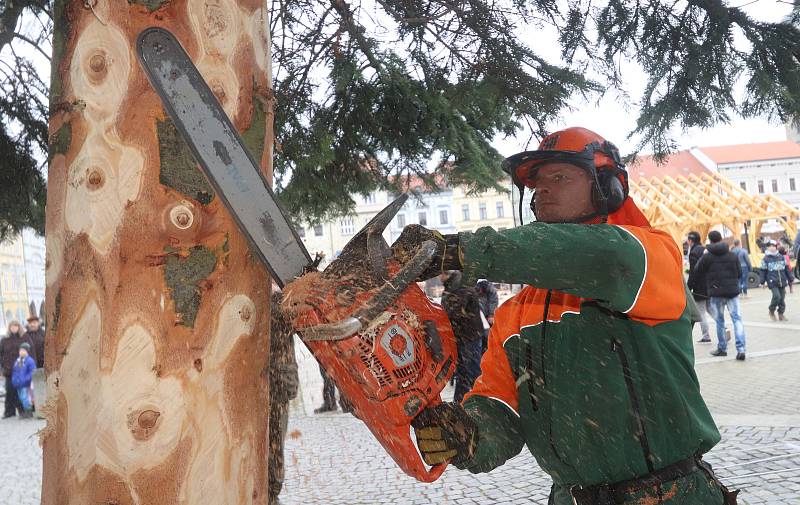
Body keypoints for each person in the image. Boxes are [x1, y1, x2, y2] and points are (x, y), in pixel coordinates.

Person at [392, 127, 735, 505]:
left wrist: (463, 251)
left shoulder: (647, 256)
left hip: (668, 494)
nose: (544, 191)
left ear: (608, 186)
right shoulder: (515, 314)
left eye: (559, 177)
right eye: (537, 183)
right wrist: (468, 432)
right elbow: (501, 405)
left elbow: (596, 257)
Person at [693, 231, 746, 360]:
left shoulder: (707, 256)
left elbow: (697, 270)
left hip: (716, 293)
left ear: (710, 240)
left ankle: (722, 348)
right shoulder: (732, 255)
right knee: (737, 319)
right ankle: (741, 349)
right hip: (733, 292)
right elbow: (739, 273)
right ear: (721, 239)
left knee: (720, 321)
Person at [268, 292, 299, 505]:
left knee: (274, 444)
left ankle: (271, 494)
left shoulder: (279, 301)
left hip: (277, 384)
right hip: (267, 383)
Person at [441, 271, 484, 403]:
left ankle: (482, 399)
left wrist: (439, 318)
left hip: (469, 337)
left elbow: (454, 311)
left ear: (447, 273)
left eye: (441, 273)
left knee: (472, 370)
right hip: (461, 337)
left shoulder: (461, 286)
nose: (439, 277)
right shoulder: (451, 287)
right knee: (463, 372)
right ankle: (460, 402)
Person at [0, 321, 35, 418]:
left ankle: (24, 411)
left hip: (22, 370)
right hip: (8, 370)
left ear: (19, 327)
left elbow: (31, 351)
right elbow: (1, 354)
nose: (14, 328)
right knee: (9, 392)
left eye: (16, 326)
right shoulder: (4, 340)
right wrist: (2, 367)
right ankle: (9, 412)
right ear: (9, 327)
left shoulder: (25, 337)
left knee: (22, 392)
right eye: (12, 326)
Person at [686, 231, 714, 343]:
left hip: (699, 287)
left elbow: (694, 272)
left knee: (701, 311)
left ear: (690, 241)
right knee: (710, 309)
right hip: (709, 284)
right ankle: (723, 327)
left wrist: (689, 287)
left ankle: (706, 335)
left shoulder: (693, 253)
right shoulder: (704, 250)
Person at [762, 240, 791, 321]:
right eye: (770, 246)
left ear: (776, 247)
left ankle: (781, 314)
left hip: (782, 281)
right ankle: (771, 311)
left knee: (782, 298)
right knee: (776, 296)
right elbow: (763, 271)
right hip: (772, 281)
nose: (772, 248)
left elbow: (786, 269)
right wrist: (762, 281)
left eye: (773, 246)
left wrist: (790, 278)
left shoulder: (781, 257)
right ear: (767, 247)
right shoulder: (765, 259)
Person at [11, 342, 36, 419]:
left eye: (23, 350)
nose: (21, 352)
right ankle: (26, 411)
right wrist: (14, 380)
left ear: (27, 351)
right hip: (18, 384)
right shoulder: (17, 361)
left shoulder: (30, 361)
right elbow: (15, 371)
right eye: (20, 350)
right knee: (21, 398)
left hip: (25, 384)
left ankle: (29, 412)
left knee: (25, 398)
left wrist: (26, 380)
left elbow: (32, 372)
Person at [475, 279, 498, 353]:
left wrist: (491, 315)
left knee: (487, 335)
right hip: (479, 316)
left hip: (487, 316)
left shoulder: (490, 290)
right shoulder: (475, 289)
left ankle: (488, 350)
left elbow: (493, 302)